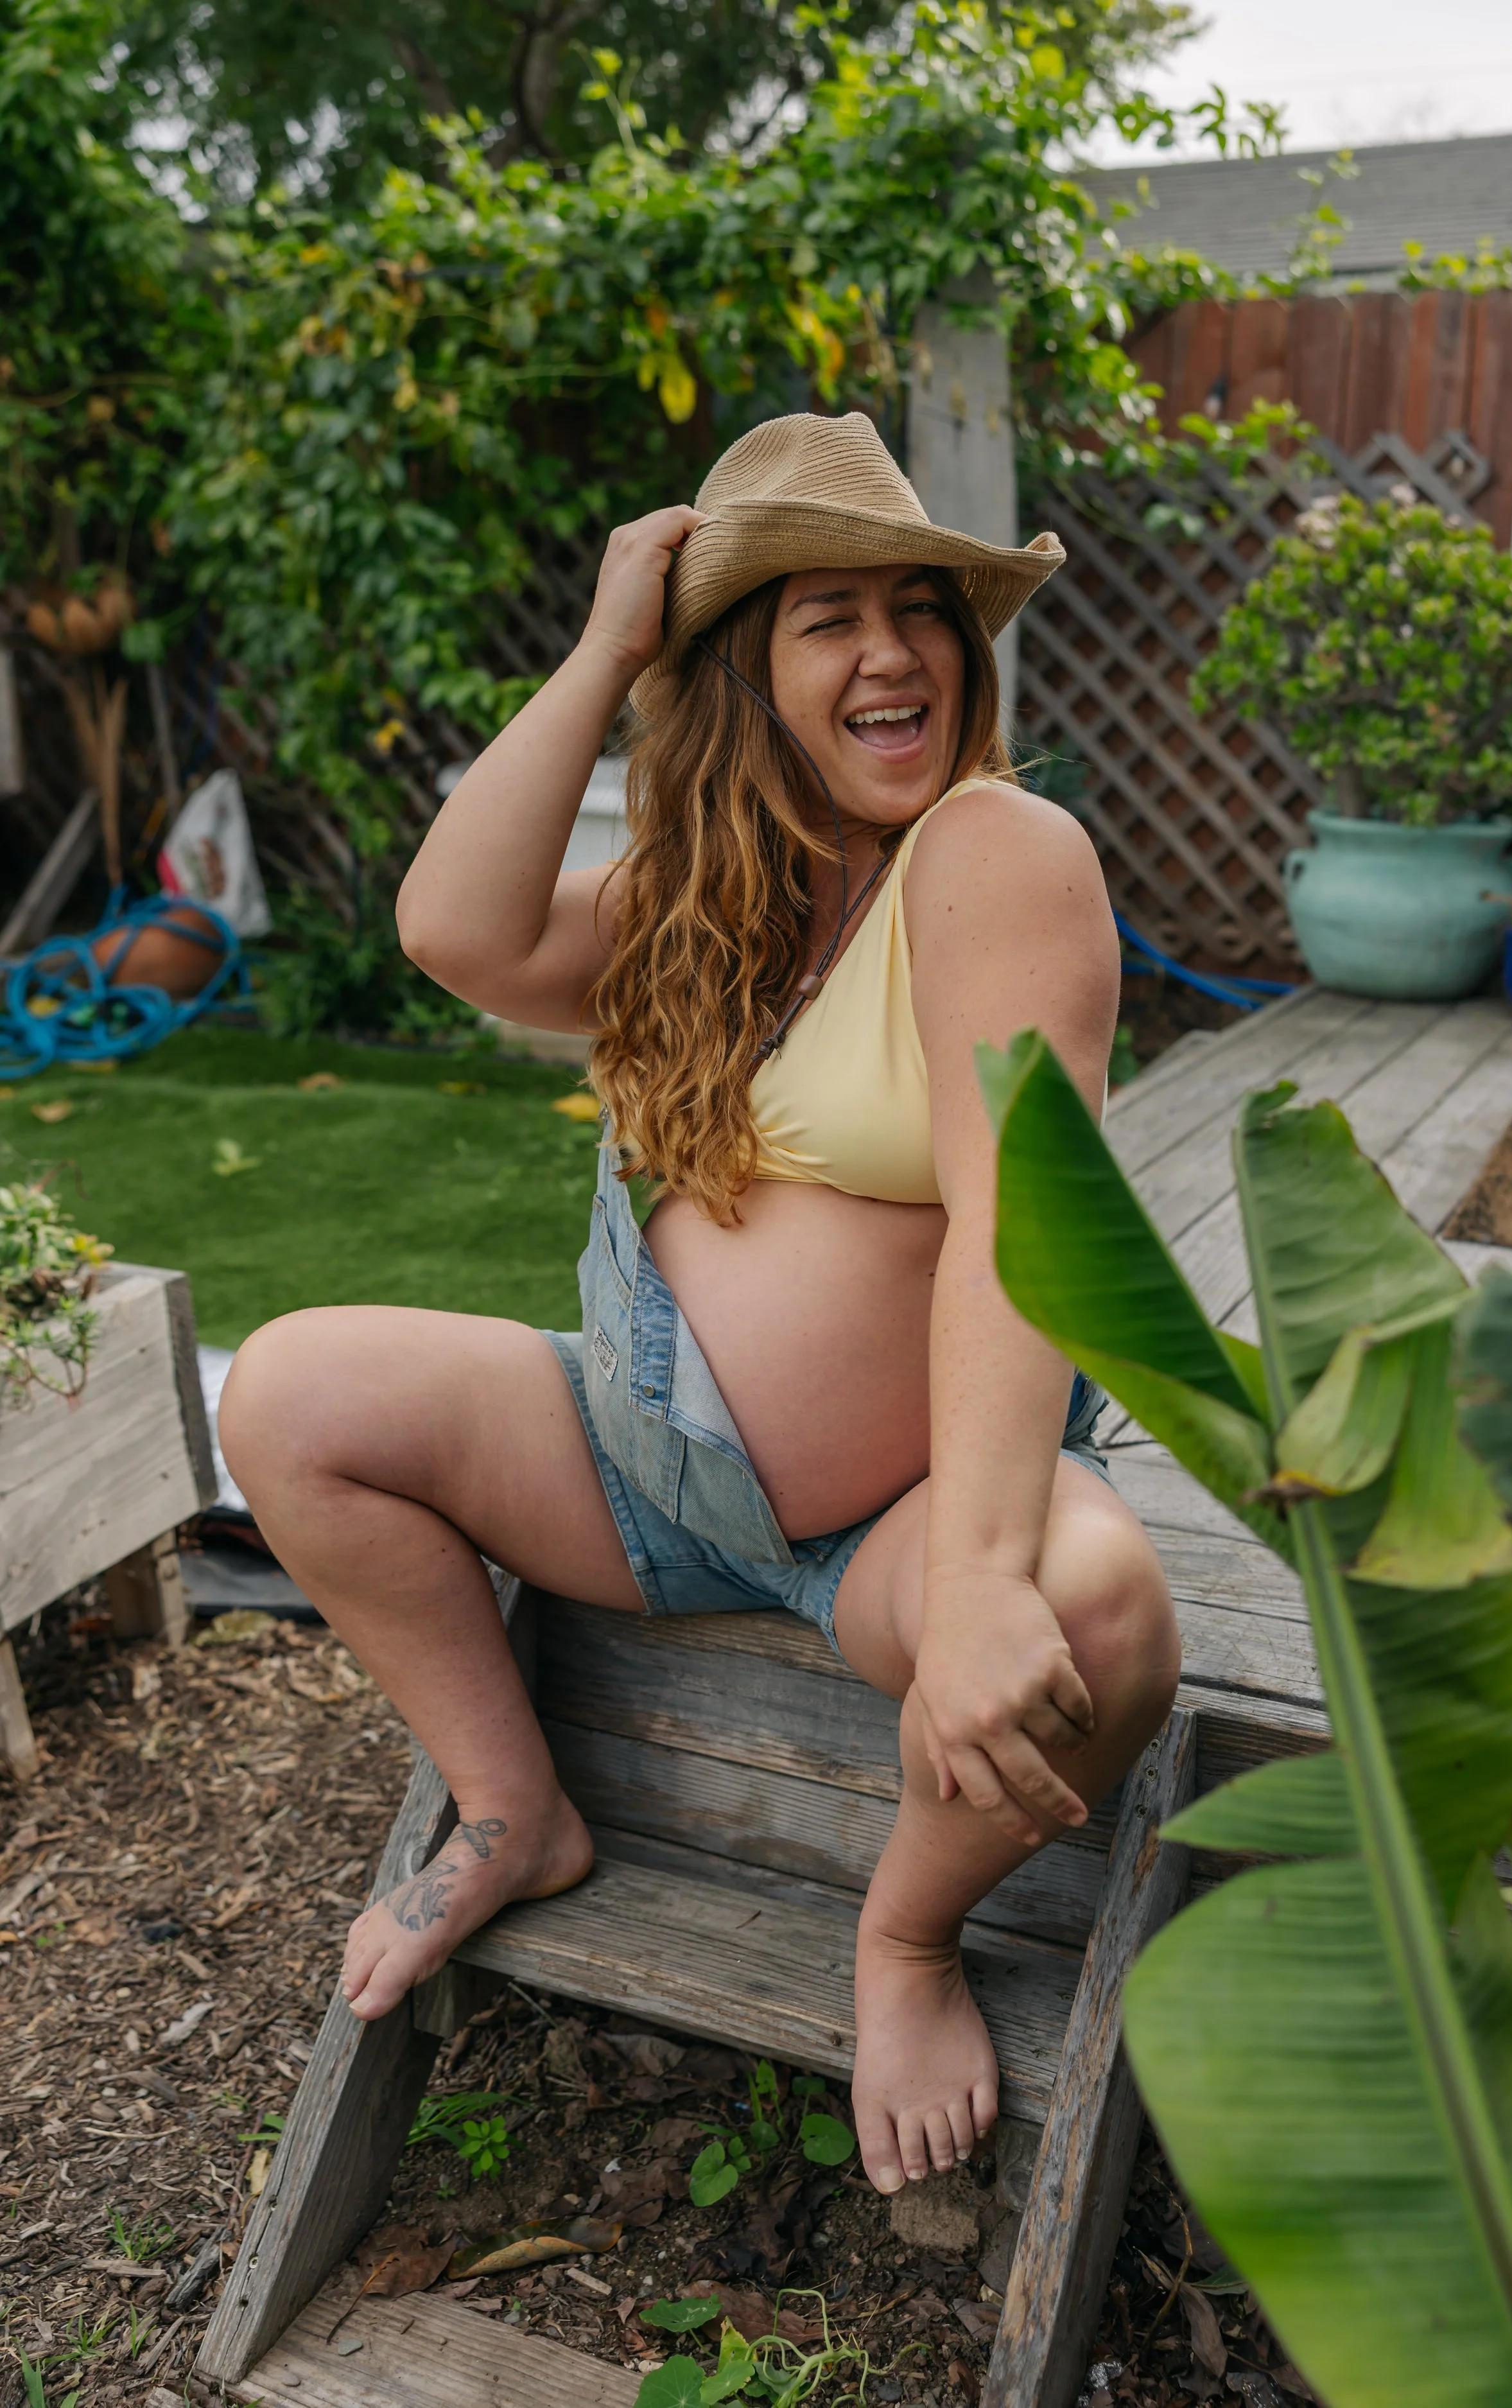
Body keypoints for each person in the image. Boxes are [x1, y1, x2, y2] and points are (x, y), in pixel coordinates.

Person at [220, 412, 1179, 2199]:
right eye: (828, 614)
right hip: (644, 1470)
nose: (892, 650)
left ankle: (900, 1942)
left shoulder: (995, 853)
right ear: (742, 674)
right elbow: (454, 927)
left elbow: (1013, 1219)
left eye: (919, 609)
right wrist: (603, 650)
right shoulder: (705, 896)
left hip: (890, 1529)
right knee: (287, 1392)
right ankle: (517, 1810)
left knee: (1101, 1607)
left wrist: (973, 1580)